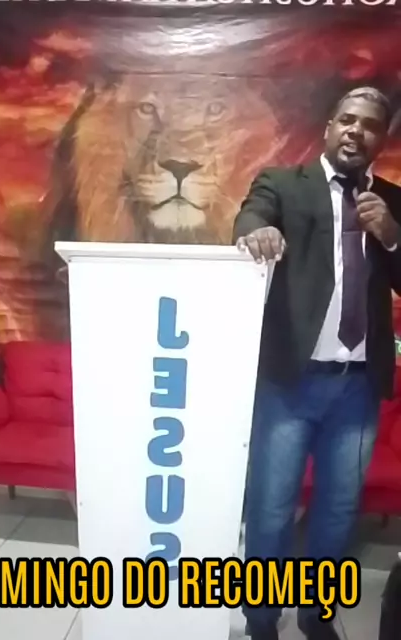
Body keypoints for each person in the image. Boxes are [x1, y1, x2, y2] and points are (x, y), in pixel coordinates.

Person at [232, 86, 401, 640]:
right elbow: (250, 216)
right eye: (347, 120)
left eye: (369, 125)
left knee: (338, 511)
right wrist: (256, 231)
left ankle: (316, 614)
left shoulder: (392, 201)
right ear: (330, 127)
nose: (356, 131)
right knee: (271, 509)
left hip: (357, 388)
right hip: (289, 381)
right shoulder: (284, 184)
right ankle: (261, 620)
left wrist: (392, 237)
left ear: (381, 139)